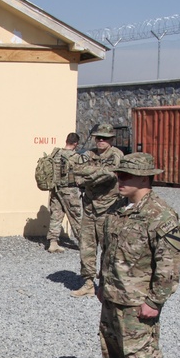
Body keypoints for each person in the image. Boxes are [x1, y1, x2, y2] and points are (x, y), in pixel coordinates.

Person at [93, 153, 180, 358]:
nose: (119, 180)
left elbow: (168, 264)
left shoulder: (160, 215)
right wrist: (101, 284)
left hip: (138, 300)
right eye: (119, 175)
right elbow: (107, 251)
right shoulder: (118, 209)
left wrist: (155, 301)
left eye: (126, 176)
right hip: (113, 294)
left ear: (144, 178)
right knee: (114, 350)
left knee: (140, 354)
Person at [72, 123, 125, 297]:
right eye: (98, 138)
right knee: (86, 246)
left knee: (108, 247)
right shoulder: (88, 154)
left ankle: (105, 284)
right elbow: (76, 171)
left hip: (108, 208)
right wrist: (95, 174)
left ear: (111, 139)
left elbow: (109, 175)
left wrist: (89, 176)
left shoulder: (116, 155)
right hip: (89, 207)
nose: (101, 141)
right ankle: (88, 282)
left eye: (105, 138)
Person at [46, 132, 86, 253]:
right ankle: (84, 244)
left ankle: (53, 242)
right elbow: (81, 174)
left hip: (55, 189)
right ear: (75, 143)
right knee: (76, 216)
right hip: (70, 191)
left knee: (56, 215)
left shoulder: (55, 154)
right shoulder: (76, 157)